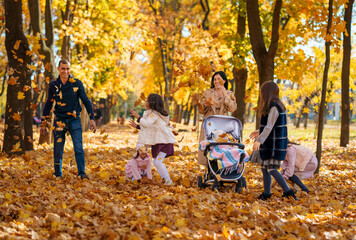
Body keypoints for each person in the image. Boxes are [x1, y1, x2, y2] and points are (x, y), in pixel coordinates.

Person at [40, 59, 96, 179]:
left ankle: (81, 173)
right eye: (63, 68)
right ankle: (57, 174)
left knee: (78, 147)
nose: (65, 71)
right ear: (59, 69)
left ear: (70, 69)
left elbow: (86, 101)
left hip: (74, 120)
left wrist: (92, 118)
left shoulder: (76, 83)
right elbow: (48, 104)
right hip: (59, 120)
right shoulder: (53, 85)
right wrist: (43, 123)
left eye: (67, 68)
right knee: (58, 150)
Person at [249, 81, 297, 200]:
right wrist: (259, 131)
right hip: (271, 143)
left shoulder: (275, 107)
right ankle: (266, 193)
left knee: (271, 169)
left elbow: (270, 126)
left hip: (274, 145)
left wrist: (258, 141)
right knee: (265, 168)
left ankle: (288, 192)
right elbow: (270, 125)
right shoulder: (274, 106)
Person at [129, 93, 175, 185]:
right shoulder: (152, 114)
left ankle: (168, 180)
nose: (145, 102)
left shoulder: (154, 114)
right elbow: (149, 127)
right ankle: (165, 179)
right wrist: (137, 126)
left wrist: (137, 117)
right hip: (159, 142)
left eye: (147, 101)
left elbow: (146, 123)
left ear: (152, 103)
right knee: (156, 161)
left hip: (164, 142)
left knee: (157, 162)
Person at [198, 71, 237, 165]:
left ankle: (220, 171)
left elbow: (233, 108)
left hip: (223, 125)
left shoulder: (229, 93)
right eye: (214, 79)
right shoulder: (208, 92)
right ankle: (209, 171)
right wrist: (205, 104)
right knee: (209, 148)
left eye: (218, 79)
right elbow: (201, 110)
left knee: (221, 148)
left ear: (224, 81)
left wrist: (225, 95)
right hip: (209, 124)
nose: (216, 81)